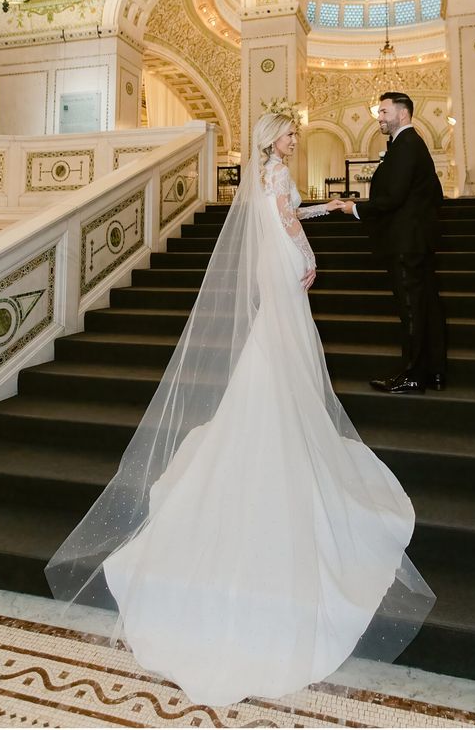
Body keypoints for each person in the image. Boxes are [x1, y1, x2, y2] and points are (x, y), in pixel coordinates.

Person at [45, 105, 435, 707]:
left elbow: (283, 212)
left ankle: (272, 415)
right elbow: (286, 224)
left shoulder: (266, 173)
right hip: (284, 265)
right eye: (288, 133)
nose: (293, 139)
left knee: (277, 351)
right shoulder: (276, 173)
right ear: (271, 138)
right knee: (287, 351)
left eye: (294, 134)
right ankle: (282, 424)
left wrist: (324, 209)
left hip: (273, 265)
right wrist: (309, 255)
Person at [341, 92, 447, 395]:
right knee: (428, 306)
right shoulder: (414, 145)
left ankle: (413, 375)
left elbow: (393, 196)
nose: (379, 118)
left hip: (406, 242)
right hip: (417, 239)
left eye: (384, 111)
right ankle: (434, 371)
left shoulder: (406, 145)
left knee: (412, 308)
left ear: (402, 114)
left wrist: (356, 208)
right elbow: (435, 193)